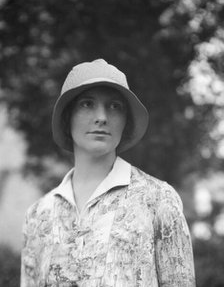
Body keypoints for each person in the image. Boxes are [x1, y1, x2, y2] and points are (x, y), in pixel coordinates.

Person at [21, 59, 196, 287]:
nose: (101, 117)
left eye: (114, 106)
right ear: (67, 118)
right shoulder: (37, 216)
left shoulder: (158, 200)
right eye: (87, 104)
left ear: (126, 121)